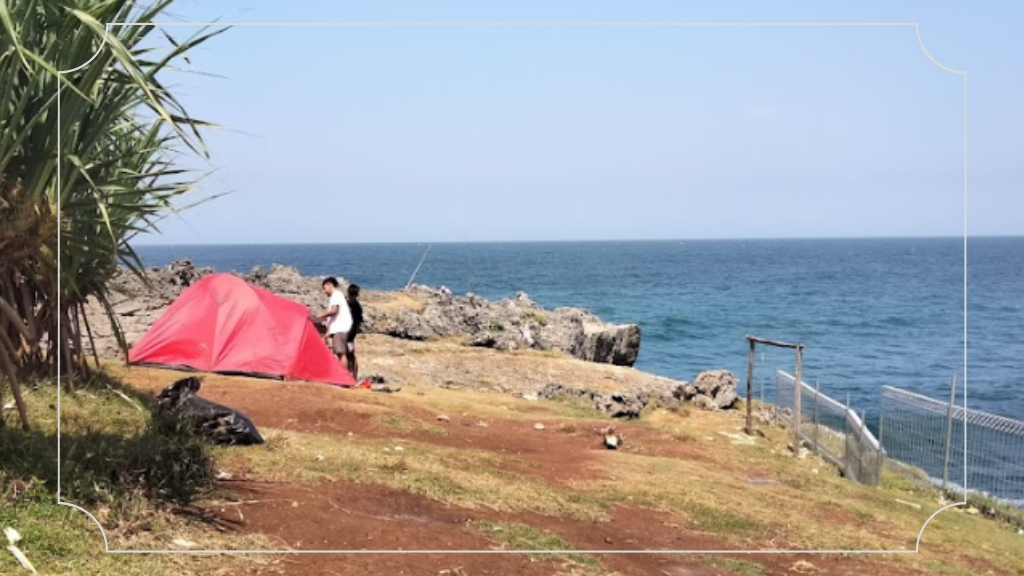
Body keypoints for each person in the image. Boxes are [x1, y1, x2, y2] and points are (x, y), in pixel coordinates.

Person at [313, 277, 353, 369]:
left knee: (341, 353)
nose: (324, 291)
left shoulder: (336, 295)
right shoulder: (338, 296)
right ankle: (347, 376)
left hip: (340, 329)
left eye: (325, 288)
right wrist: (327, 332)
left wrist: (321, 315)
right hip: (343, 329)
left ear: (330, 285)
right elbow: (334, 317)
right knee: (344, 354)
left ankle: (344, 378)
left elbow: (334, 310)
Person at [345, 283, 364, 382]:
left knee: (350, 355)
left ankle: (354, 377)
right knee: (345, 354)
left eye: (354, 296)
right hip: (343, 331)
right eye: (351, 295)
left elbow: (357, 323)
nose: (352, 298)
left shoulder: (357, 308)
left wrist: (351, 335)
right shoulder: (344, 303)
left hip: (350, 334)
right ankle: (347, 375)